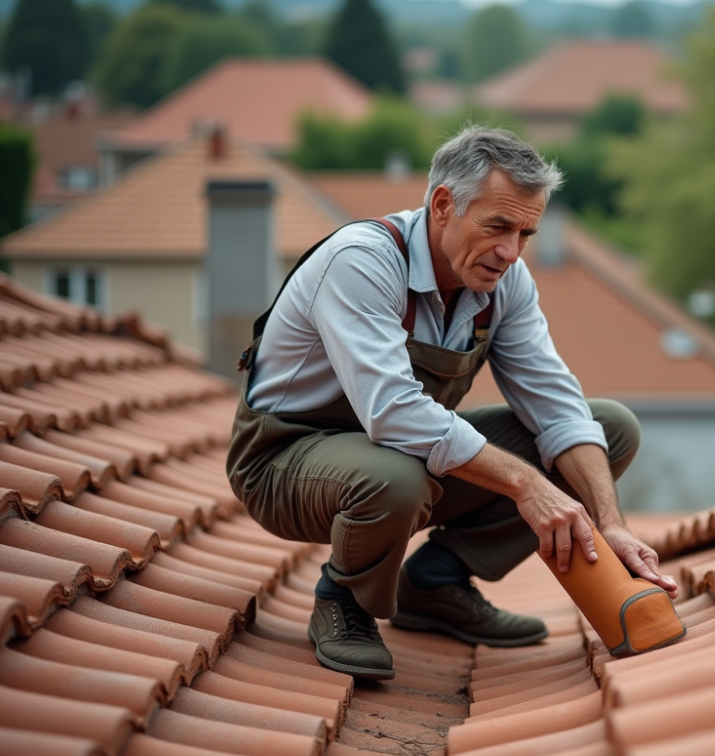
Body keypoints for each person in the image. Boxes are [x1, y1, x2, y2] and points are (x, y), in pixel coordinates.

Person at [227, 126, 677, 680]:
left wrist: (610, 523)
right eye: (499, 227)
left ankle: (435, 583)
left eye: (526, 234)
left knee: (607, 431)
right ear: (444, 205)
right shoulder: (362, 262)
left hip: (398, 458)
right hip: (284, 462)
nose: (511, 252)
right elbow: (393, 411)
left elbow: (557, 406)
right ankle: (344, 600)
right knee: (398, 478)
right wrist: (529, 485)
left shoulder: (502, 281)